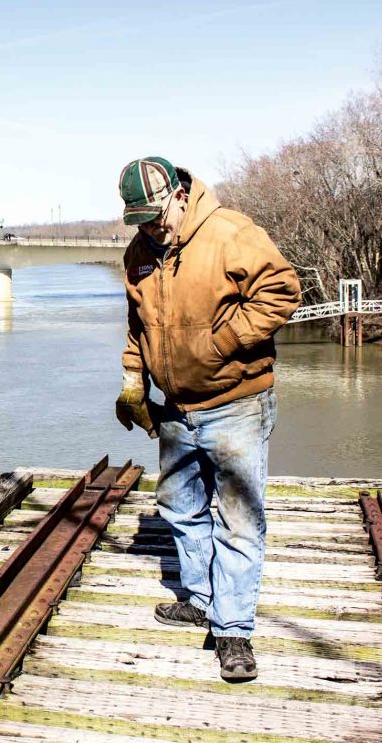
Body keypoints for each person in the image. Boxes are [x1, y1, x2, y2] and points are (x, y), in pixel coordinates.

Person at [114, 156, 300, 682]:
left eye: (156, 217)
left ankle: (233, 631)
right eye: (140, 221)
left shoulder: (229, 233)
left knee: (238, 521)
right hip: (176, 409)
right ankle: (200, 599)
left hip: (235, 404)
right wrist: (133, 380)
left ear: (178, 196)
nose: (151, 228)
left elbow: (283, 290)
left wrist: (223, 342)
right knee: (179, 507)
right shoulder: (140, 252)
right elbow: (138, 326)